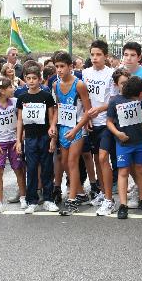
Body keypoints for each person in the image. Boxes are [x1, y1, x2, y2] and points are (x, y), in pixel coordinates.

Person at [106, 76, 142, 219]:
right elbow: (109, 122)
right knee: (123, 171)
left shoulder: (139, 99)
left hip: (139, 141)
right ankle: (123, 205)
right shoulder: (114, 101)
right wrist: (117, 133)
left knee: (140, 169)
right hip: (123, 143)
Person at [16, 65, 59, 213]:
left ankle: (48, 199)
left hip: (44, 137)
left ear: (40, 79)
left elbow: (52, 118)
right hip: (30, 138)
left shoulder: (46, 96)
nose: (31, 81)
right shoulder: (22, 98)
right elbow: (20, 121)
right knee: (32, 169)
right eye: (28, 78)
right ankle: (32, 200)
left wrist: (53, 139)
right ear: (25, 79)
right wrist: (18, 141)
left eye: (34, 78)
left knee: (47, 169)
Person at [53, 51, 92, 215]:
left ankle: (72, 199)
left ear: (70, 67)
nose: (59, 70)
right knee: (64, 162)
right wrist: (53, 125)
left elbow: (88, 110)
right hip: (63, 127)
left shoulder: (79, 85)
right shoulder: (55, 85)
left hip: (77, 127)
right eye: (56, 66)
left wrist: (77, 129)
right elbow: (58, 107)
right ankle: (80, 192)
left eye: (62, 66)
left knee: (72, 162)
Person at [0, 77, 27, 214]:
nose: (13, 89)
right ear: (2, 91)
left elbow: (21, 120)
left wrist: (19, 139)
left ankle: (23, 197)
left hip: (14, 141)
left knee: (19, 169)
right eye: (10, 87)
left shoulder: (15, 102)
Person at [82, 40, 116, 209]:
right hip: (91, 123)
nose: (94, 58)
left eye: (98, 55)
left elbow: (115, 100)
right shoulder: (85, 73)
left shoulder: (111, 74)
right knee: (97, 159)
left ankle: (110, 199)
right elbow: (85, 97)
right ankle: (103, 193)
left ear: (105, 56)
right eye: (92, 55)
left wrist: (100, 109)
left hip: (106, 122)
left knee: (103, 159)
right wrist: (87, 116)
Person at [95, 68, 130, 216]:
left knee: (129, 165)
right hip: (106, 126)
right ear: (116, 84)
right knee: (102, 158)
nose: (125, 85)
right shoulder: (88, 74)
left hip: (123, 129)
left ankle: (140, 196)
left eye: (127, 82)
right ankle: (108, 198)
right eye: (122, 83)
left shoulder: (132, 94)